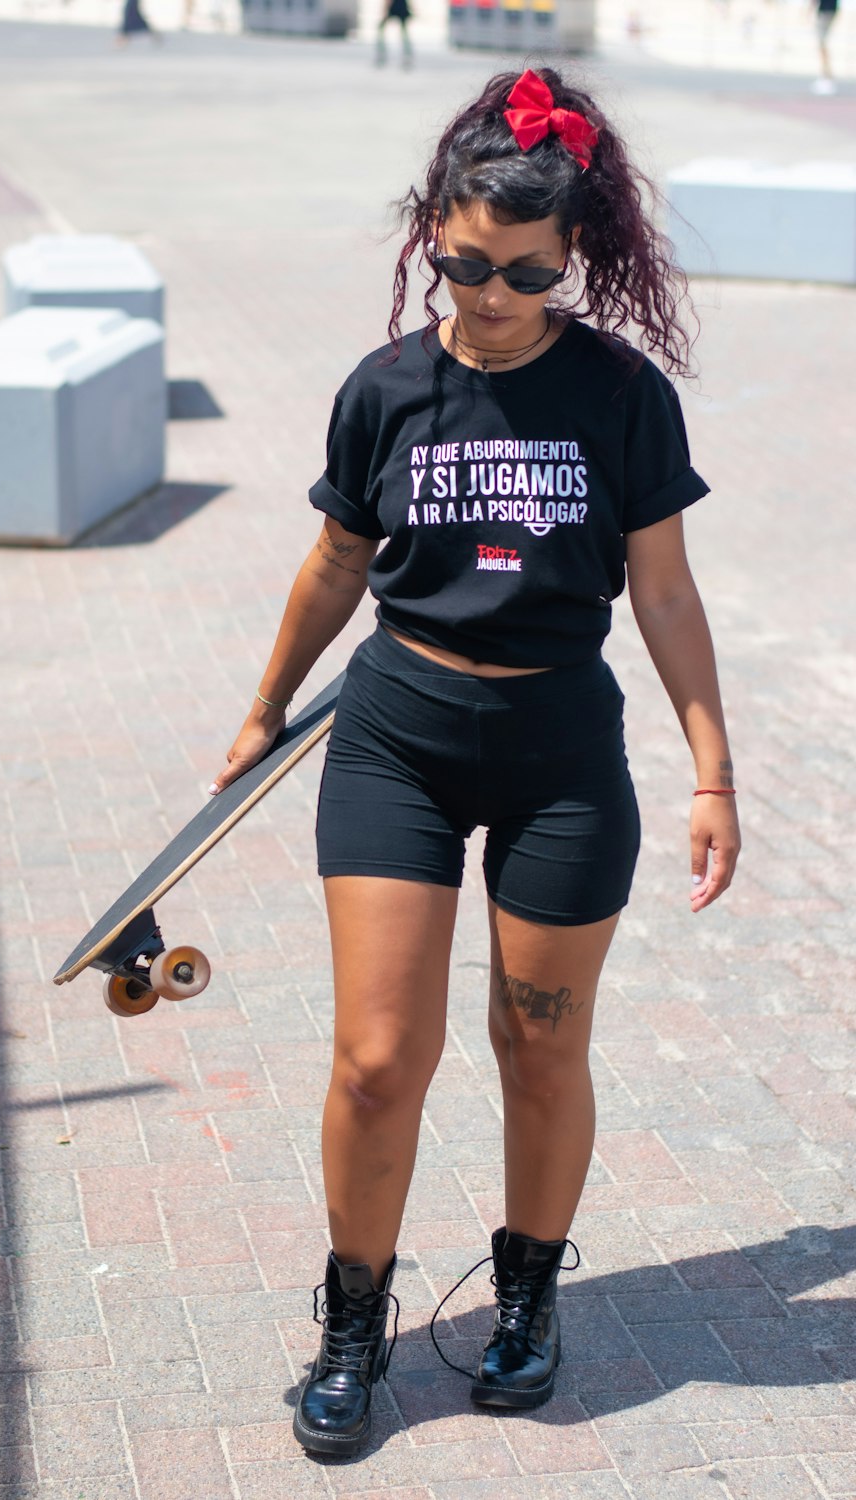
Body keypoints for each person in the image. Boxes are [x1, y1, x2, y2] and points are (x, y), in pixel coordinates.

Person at [210, 67, 740, 1456]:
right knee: (381, 1057)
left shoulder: (624, 398)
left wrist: (714, 774)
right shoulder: (385, 387)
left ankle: (527, 1306)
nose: (488, 294)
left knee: (538, 1047)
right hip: (398, 738)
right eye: (461, 263)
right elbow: (335, 559)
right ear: (427, 236)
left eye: (522, 273)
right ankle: (350, 1327)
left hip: (563, 751)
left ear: (576, 261)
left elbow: (667, 597)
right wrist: (265, 706)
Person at [376, 0, 413, 68]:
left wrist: (385, 9)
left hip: (394, 6)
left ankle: (381, 53)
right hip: (401, 6)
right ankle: (408, 54)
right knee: (404, 31)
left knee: (381, 28)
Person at [812, 0, 839, 91]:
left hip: (825, 11)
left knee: (822, 44)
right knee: (822, 44)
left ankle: (826, 76)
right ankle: (826, 75)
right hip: (830, 10)